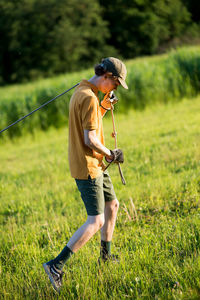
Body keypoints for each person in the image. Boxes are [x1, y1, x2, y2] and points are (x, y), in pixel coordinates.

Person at [43, 57, 128, 292]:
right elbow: (89, 139)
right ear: (107, 77)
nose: (115, 88)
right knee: (96, 220)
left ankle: (105, 256)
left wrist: (104, 106)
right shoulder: (88, 97)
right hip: (88, 166)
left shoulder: (83, 91)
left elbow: (90, 123)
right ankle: (55, 266)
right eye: (116, 83)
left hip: (95, 163)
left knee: (112, 206)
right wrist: (111, 152)